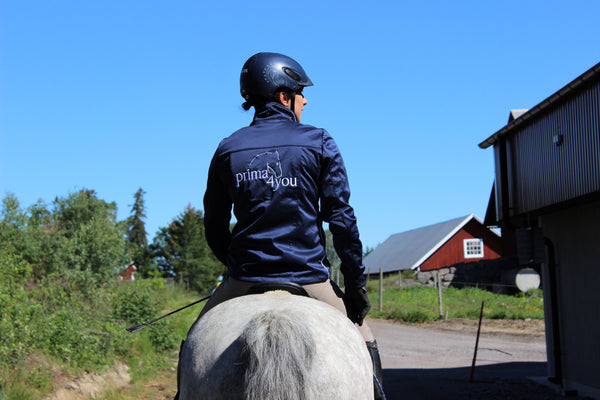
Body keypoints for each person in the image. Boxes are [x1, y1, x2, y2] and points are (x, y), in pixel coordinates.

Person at [176, 52, 384, 399]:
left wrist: (239, 264)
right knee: (365, 342)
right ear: (284, 96)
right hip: (309, 276)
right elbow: (341, 220)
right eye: (301, 92)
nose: (305, 100)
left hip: (245, 277)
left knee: (194, 343)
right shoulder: (319, 141)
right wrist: (356, 286)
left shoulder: (227, 149)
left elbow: (214, 226)